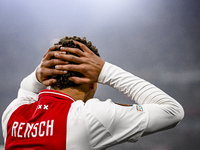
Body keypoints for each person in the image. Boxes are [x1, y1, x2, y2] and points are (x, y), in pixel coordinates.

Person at [2, 36, 184, 150]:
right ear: (92, 84)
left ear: (49, 76)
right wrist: (105, 71)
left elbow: (27, 88)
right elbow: (172, 111)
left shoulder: (13, 113)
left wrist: (36, 75)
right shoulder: (88, 117)